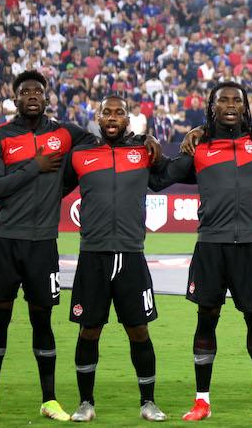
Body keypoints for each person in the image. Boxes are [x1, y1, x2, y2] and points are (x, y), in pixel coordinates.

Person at [0, 70, 126, 422]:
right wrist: (36, 166)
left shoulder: (65, 132)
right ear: (15, 99)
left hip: (44, 244)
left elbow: (102, 145)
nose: (32, 96)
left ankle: (50, 399)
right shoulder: (0, 136)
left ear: (46, 97)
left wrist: (60, 184)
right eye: (25, 91)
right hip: (6, 241)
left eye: (37, 91)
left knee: (43, 321)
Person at [163, 82, 252, 422]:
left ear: (246, 108)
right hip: (210, 246)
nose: (231, 105)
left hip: (251, 246)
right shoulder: (199, 145)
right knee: (207, 320)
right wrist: (147, 146)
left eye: (237, 100)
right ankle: (201, 401)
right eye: (224, 101)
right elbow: (162, 176)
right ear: (212, 107)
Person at [60, 95, 171, 422]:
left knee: (139, 331)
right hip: (92, 257)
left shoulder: (143, 153)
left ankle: (148, 402)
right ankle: (85, 403)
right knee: (88, 331)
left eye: (118, 113)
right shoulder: (81, 154)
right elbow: (52, 187)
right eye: (106, 112)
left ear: (128, 118)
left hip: (131, 257)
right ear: (97, 117)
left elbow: (177, 171)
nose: (112, 117)